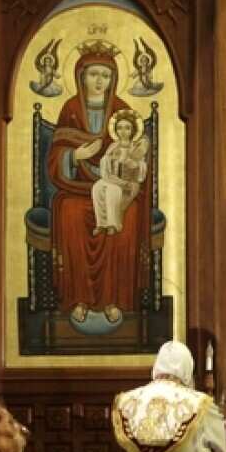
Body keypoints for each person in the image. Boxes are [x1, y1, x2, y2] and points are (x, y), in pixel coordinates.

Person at [45, 40, 150, 325]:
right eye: (94, 74)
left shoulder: (121, 108)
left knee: (127, 214)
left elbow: (139, 153)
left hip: (116, 186)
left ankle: (114, 299)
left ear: (114, 78)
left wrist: (131, 162)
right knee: (70, 212)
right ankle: (78, 298)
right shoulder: (69, 108)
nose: (99, 80)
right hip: (77, 189)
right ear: (81, 76)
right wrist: (74, 155)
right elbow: (54, 158)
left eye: (105, 75)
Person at [90, 109, 149, 235]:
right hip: (112, 178)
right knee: (97, 187)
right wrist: (109, 159)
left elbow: (141, 170)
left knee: (112, 190)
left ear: (133, 130)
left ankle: (113, 225)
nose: (123, 131)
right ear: (116, 130)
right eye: (120, 128)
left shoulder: (136, 147)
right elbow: (105, 165)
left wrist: (134, 164)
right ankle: (101, 224)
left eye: (127, 128)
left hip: (129, 183)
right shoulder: (113, 146)